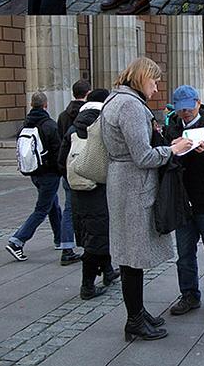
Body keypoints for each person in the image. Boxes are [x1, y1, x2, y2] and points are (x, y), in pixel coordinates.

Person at [104, 58, 192, 341]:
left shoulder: (116, 99)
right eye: (154, 81)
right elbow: (143, 156)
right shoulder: (129, 105)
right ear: (142, 78)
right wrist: (173, 149)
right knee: (132, 257)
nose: (156, 89)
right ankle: (134, 321)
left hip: (124, 183)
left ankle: (138, 313)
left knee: (132, 255)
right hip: (133, 186)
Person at [163, 85, 204, 319]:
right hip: (182, 201)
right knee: (184, 254)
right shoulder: (172, 130)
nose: (185, 113)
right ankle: (189, 295)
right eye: (181, 110)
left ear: (198, 104)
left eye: (189, 109)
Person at [56, 87, 120, 299]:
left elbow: (60, 161)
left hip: (78, 190)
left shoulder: (74, 125)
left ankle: (108, 272)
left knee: (94, 234)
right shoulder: (103, 125)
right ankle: (87, 287)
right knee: (97, 238)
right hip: (100, 189)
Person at [5, 91, 80, 265]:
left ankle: (59, 239)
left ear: (32, 105)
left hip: (34, 173)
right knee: (42, 209)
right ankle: (17, 241)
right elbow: (59, 152)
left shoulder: (25, 125)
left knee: (53, 205)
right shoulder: (50, 125)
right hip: (49, 174)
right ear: (46, 105)